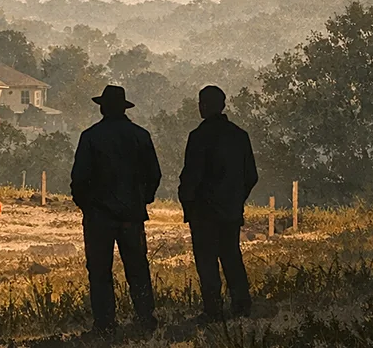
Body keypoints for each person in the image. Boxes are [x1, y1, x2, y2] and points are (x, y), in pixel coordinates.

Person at [71, 85, 162, 334]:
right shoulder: (140, 136)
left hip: (99, 217)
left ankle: (105, 323)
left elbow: (79, 179)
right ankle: (146, 318)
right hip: (131, 216)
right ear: (124, 107)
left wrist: (88, 207)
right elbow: (154, 174)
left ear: (102, 107)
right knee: (137, 268)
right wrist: (142, 200)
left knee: (100, 271)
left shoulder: (90, 137)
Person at [178, 85, 258, 322]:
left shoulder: (199, 136)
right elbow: (251, 176)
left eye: (202, 103)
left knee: (206, 261)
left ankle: (213, 310)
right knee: (232, 256)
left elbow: (191, 176)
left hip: (204, 212)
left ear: (204, 106)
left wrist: (188, 202)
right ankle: (241, 306)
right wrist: (236, 199)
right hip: (230, 211)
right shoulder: (239, 136)